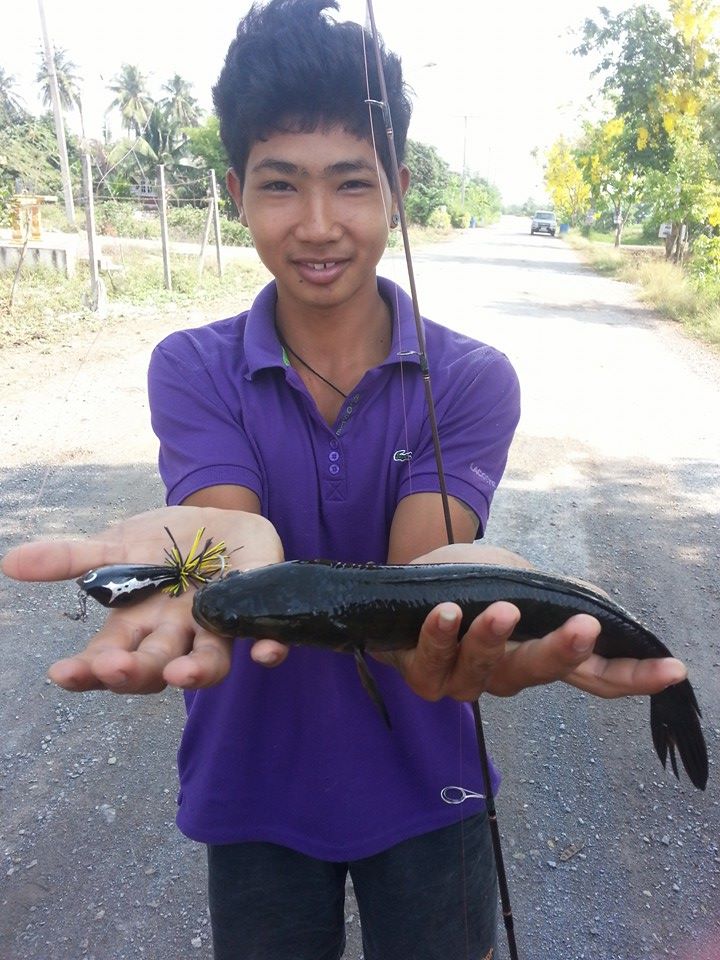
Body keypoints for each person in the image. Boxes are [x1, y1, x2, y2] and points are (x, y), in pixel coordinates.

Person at [2, 2, 687, 958]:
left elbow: (427, 568)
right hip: (253, 792)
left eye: (350, 184)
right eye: (281, 185)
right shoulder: (192, 368)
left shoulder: (471, 377)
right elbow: (221, 525)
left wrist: (463, 608)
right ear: (238, 191)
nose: (318, 224)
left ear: (398, 190)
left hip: (431, 791)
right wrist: (212, 565)